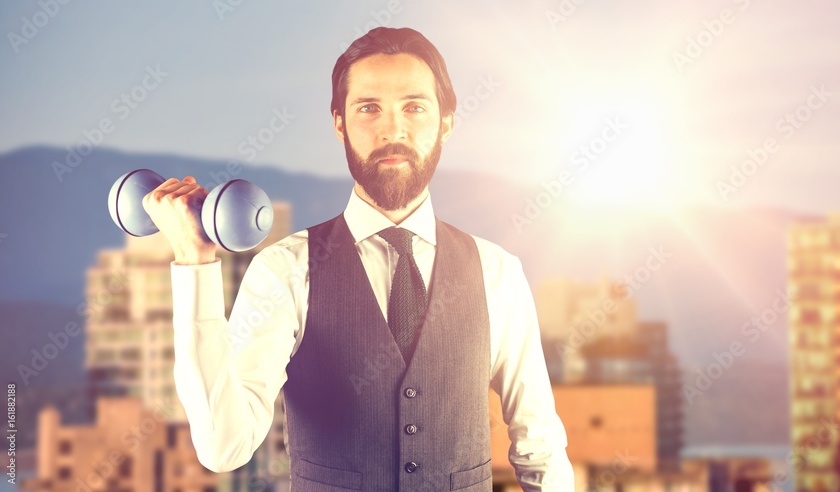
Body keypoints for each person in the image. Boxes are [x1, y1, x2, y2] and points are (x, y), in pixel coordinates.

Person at [144, 27, 574, 491]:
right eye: (369, 108)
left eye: (414, 106)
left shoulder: (497, 273)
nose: (392, 129)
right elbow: (223, 446)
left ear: (446, 122)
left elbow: (540, 448)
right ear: (339, 122)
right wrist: (194, 262)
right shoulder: (285, 271)